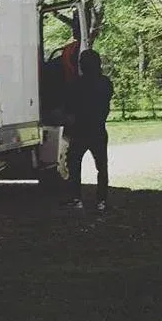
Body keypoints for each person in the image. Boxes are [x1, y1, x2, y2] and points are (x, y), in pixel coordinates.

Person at [65, 49, 113, 212]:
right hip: (99, 129)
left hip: (80, 130)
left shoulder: (76, 84)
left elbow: (70, 108)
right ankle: (101, 201)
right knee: (102, 167)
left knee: (74, 165)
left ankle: (76, 198)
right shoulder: (105, 83)